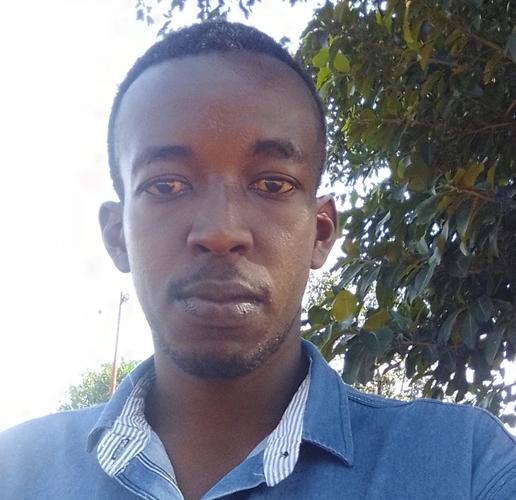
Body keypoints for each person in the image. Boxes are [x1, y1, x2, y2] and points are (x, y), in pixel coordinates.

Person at [1, 20, 515, 500]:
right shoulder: (16, 472)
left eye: (272, 184)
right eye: (167, 186)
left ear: (320, 234)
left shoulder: (464, 467)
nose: (221, 232)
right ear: (117, 237)